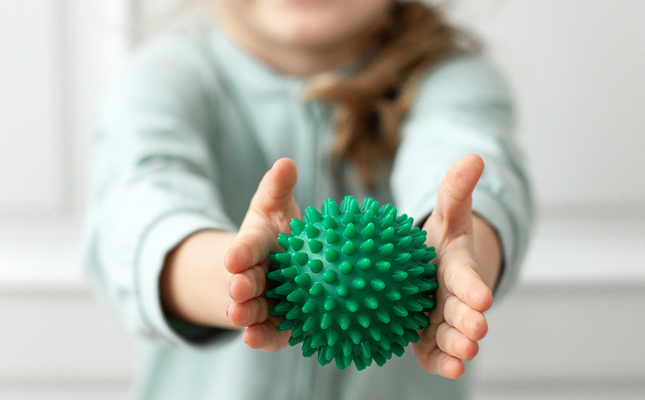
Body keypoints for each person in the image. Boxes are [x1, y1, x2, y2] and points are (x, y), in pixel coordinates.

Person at [81, 1, 532, 399]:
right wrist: (244, 274)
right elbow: (136, 205)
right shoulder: (163, 74)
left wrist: (461, 256)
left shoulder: (453, 76)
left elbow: (469, 165)